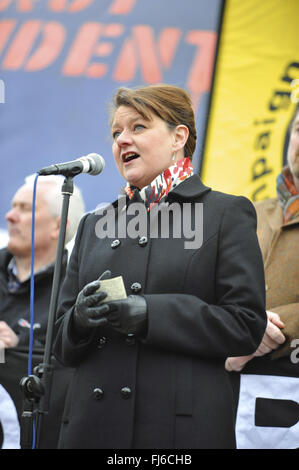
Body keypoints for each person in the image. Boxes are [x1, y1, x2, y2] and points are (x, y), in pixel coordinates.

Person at [53, 84, 267, 449]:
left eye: (138, 128)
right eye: (116, 132)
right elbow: (58, 345)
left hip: (175, 430)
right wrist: (79, 320)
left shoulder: (224, 214)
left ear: (178, 137)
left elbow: (245, 324)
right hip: (93, 428)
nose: (122, 140)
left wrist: (152, 313)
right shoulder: (93, 224)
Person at [225, 105, 299, 372]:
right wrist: (228, 334)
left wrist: (261, 330)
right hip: (230, 390)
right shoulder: (248, 213)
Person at [0, 174, 85, 349]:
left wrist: (16, 348)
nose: (10, 216)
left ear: (58, 227)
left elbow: (64, 368)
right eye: (13, 207)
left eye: (25, 209)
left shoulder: (72, 299)